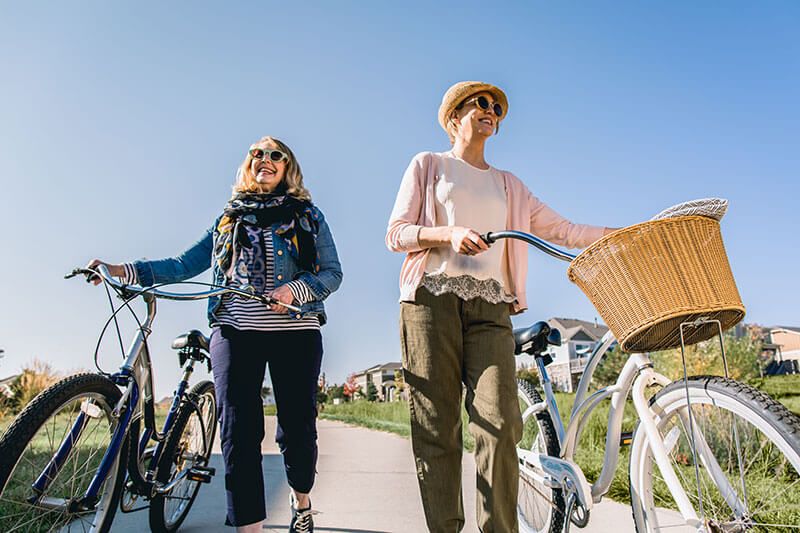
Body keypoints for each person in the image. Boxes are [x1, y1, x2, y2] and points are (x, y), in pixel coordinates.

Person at [386, 81, 614, 533]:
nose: (492, 110)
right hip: (431, 300)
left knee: (502, 421)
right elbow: (397, 233)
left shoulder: (509, 186)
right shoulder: (429, 165)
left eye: (497, 107)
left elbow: (565, 230)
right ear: (455, 117)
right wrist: (447, 234)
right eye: (482, 103)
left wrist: (622, 235)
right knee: (437, 426)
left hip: (490, 307)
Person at [88, 136, 342, 533]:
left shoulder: (308, 216)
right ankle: (249, 527)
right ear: (248, 164)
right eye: (257, 153)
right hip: (235, 330)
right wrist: (125, 270)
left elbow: (332, 273)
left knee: (297, 431)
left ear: (287, 167)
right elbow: (183, 263)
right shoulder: (228, 219)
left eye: (276, 154)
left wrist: (295, 289)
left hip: (295, 331)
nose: (266, 159)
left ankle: (301, 499)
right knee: (238, 432)